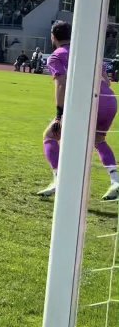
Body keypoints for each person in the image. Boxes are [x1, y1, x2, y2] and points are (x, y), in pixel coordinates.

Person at [39, 20, 119, 201]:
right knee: (99, 140)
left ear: (53, 37)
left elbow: (61, 84)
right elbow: (106, 81)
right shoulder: (88, 53)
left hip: (88, 102)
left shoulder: (56, 56)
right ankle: (116, 180)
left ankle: (60, 180)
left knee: (50, 135)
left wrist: (60, 114)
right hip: (109, 101)